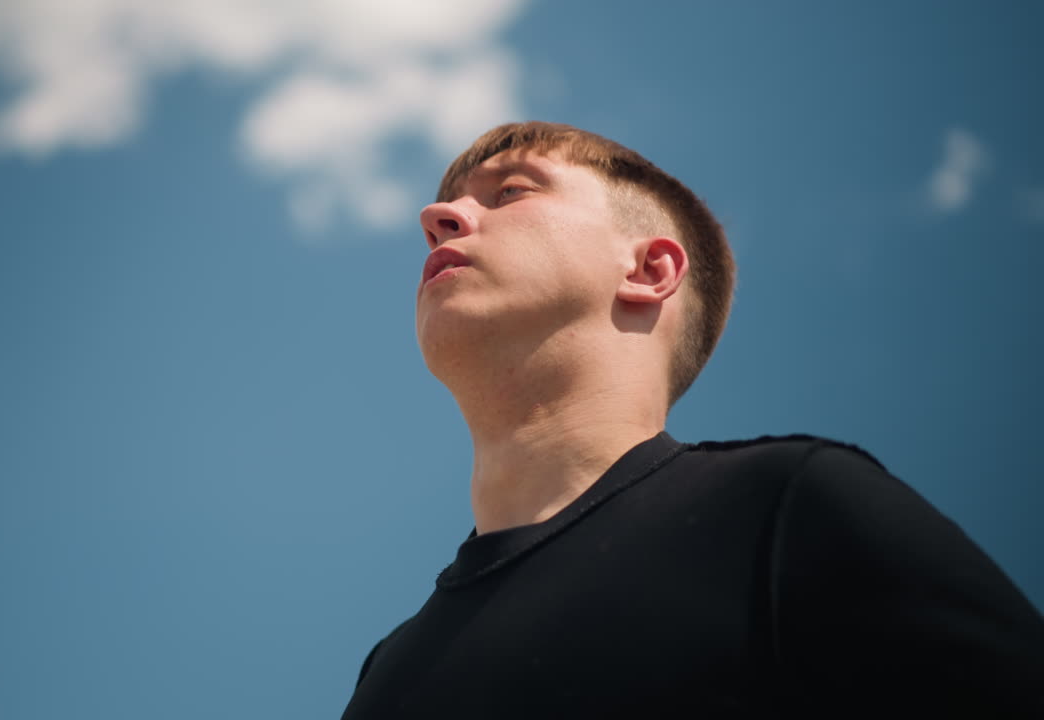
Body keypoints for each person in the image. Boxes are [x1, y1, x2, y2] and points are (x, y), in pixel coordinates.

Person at [341, 122, 1044, 718]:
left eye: (513, 191)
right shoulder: (387, 676)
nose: (440, 218)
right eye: (448, 205)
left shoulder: (788, 508)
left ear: (649, 270)